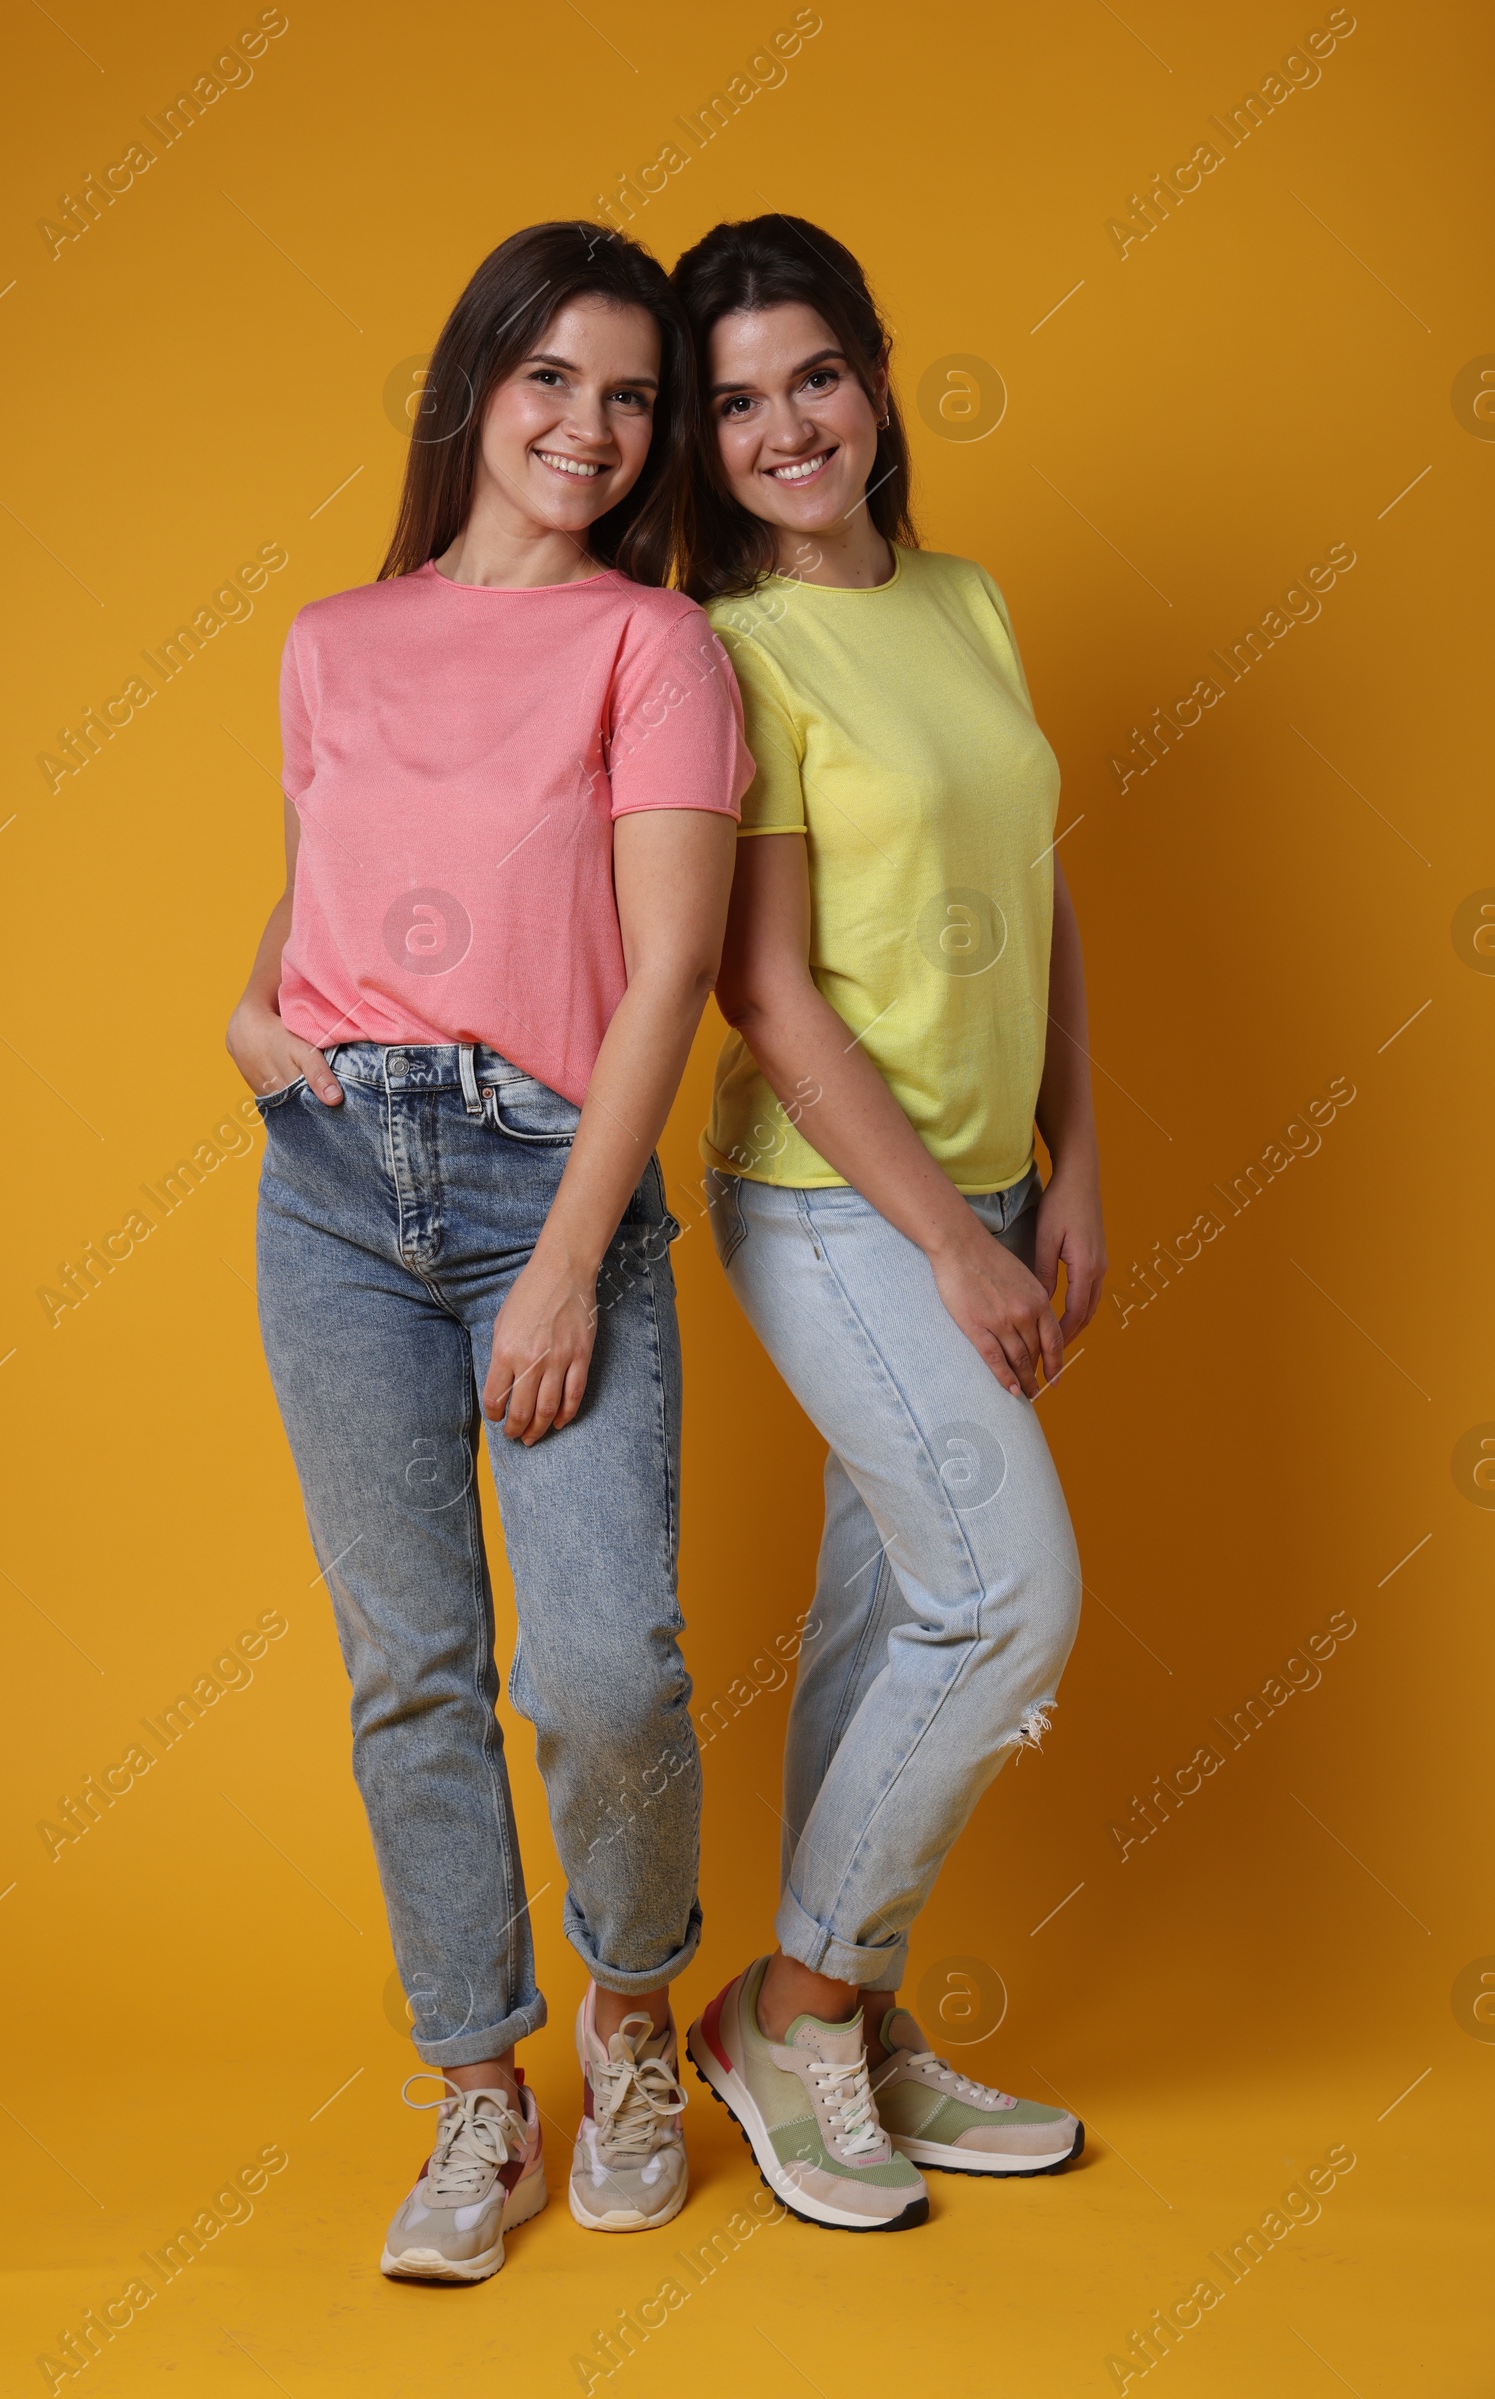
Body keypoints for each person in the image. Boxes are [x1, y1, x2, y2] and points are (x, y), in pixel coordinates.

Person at [226, 221, 751, 2283]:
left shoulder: (654, 647)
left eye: (632, 398)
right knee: (408, 1671)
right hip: (338, 1184)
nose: (594, 430)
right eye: (555, 380)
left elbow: (675, 962)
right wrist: (251, 1003)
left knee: (601, 1665)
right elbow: (315, 879)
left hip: (556, 1181)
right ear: (478, 382)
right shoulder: (333, 637)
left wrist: (568, 1259)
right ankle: (474, 2097)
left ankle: (631, 2019)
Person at [672, 215, 1105, 2231]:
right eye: (736, 400)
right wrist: (950, 1235)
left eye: (812, 376)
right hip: (833, 1207)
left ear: (870, 374)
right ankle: (792, 2009)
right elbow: (761, 993)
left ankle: (862, 2029)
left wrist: (1068, 1172)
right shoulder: (726, 653)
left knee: (885, 1627)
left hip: (991, 1185)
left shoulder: (965, 598)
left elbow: (1041, 896)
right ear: (699, 435)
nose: (785, 428)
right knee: (1004, 1599)